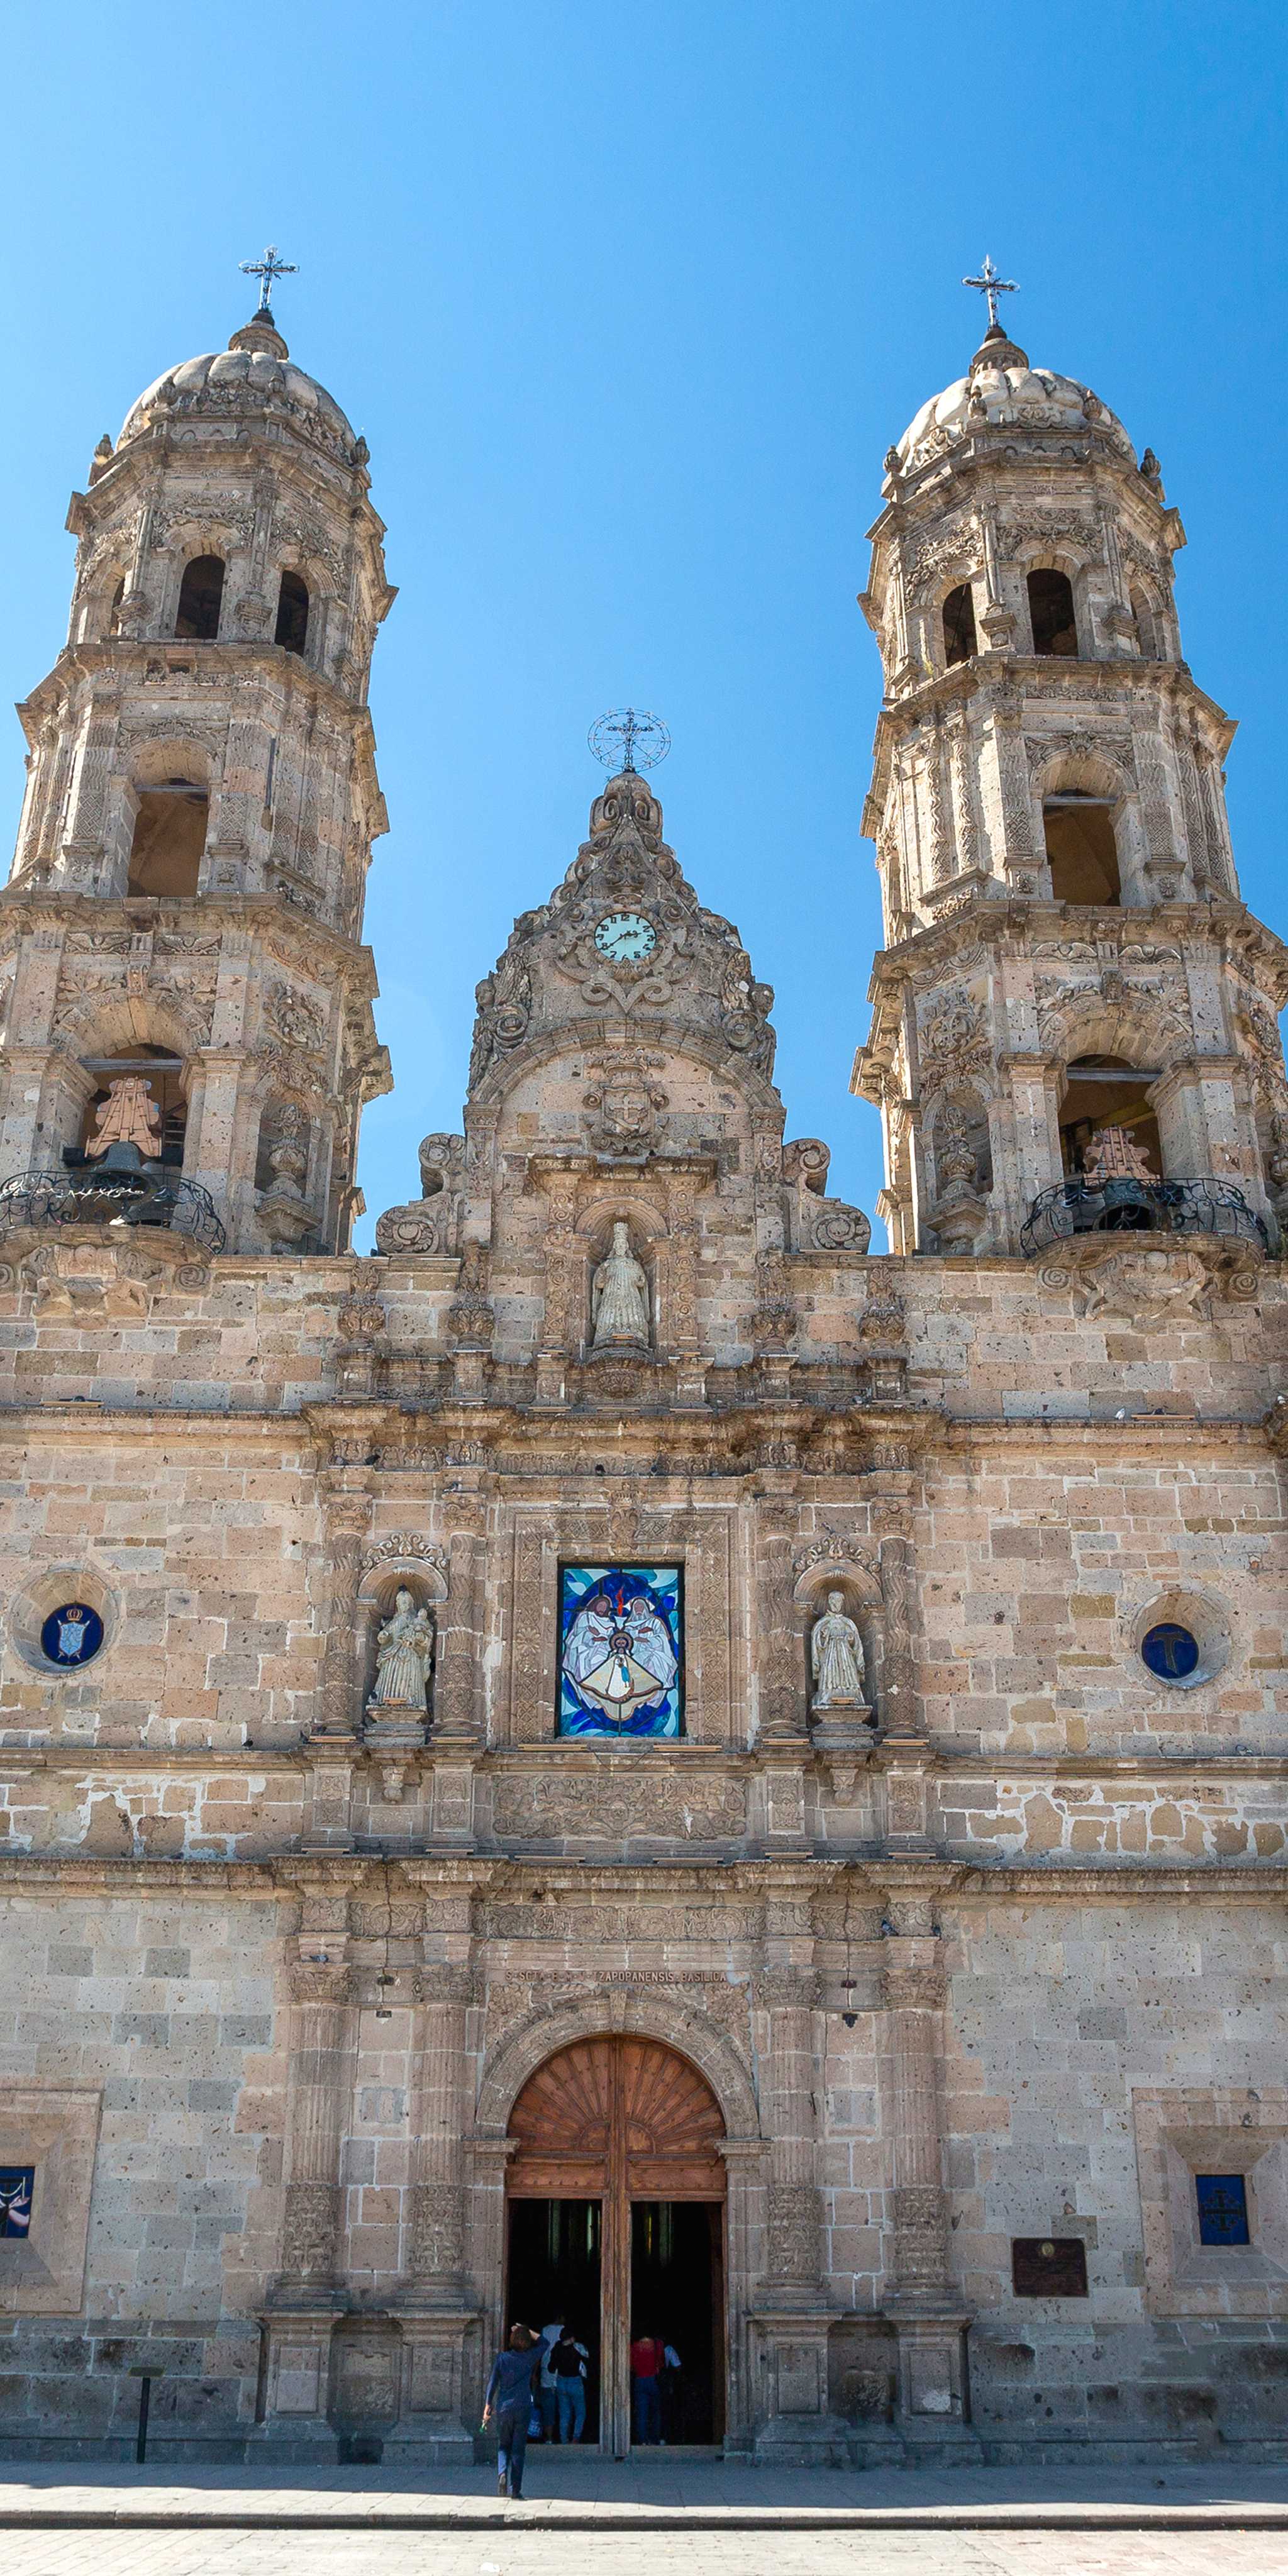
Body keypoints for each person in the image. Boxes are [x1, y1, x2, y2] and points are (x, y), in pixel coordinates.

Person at [482, 2323, 540, 2499]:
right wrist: (528, 2331)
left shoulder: (502, 2359)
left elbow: (493, 2383)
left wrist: (488, 2406)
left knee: (503, 2445)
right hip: (523, 2406)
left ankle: (502, 2473)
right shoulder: (530, 2357)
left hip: (504, 2407)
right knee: (518, 2449)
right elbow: (545, 2343)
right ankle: (516, 2490)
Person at [550, 2323, 589, 2443]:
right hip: (575, 2382)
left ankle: (564, 2440)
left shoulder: (557, 2349)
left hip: (561, 2382)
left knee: (564, 2414)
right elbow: (587, 2359)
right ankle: (576, 2437)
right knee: (580, 2412)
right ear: (571, 2338)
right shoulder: (577, 2349)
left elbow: (551, 2368)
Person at [630, 2326, 665, 2445]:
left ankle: (643, 2440)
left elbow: (631, 2366)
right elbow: (661, 2363)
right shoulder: (658, 2344)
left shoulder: (634, 2346)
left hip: (640, 2380)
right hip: (654, 2380)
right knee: (656, 2412)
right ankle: (655, 2439)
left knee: (642, 2412)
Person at [536, 2311, 565, 2439]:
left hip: (546, 2371)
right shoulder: (564, 2330)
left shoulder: (544, 2330)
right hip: (563, 2372)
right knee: (565, 2408)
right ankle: (565, 2438)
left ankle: (549, 2438)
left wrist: (534, 2373)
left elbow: (539, 2351)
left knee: (548, 2408)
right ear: (559, 2317)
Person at [659, 2339, 682, 2444]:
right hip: (663, 2384)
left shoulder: (645, 2347)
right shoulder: (668, 2348)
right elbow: (677, 2366)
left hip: (647, 2380)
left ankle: (647, 2439)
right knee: (665, 2410)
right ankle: (664, 2437)